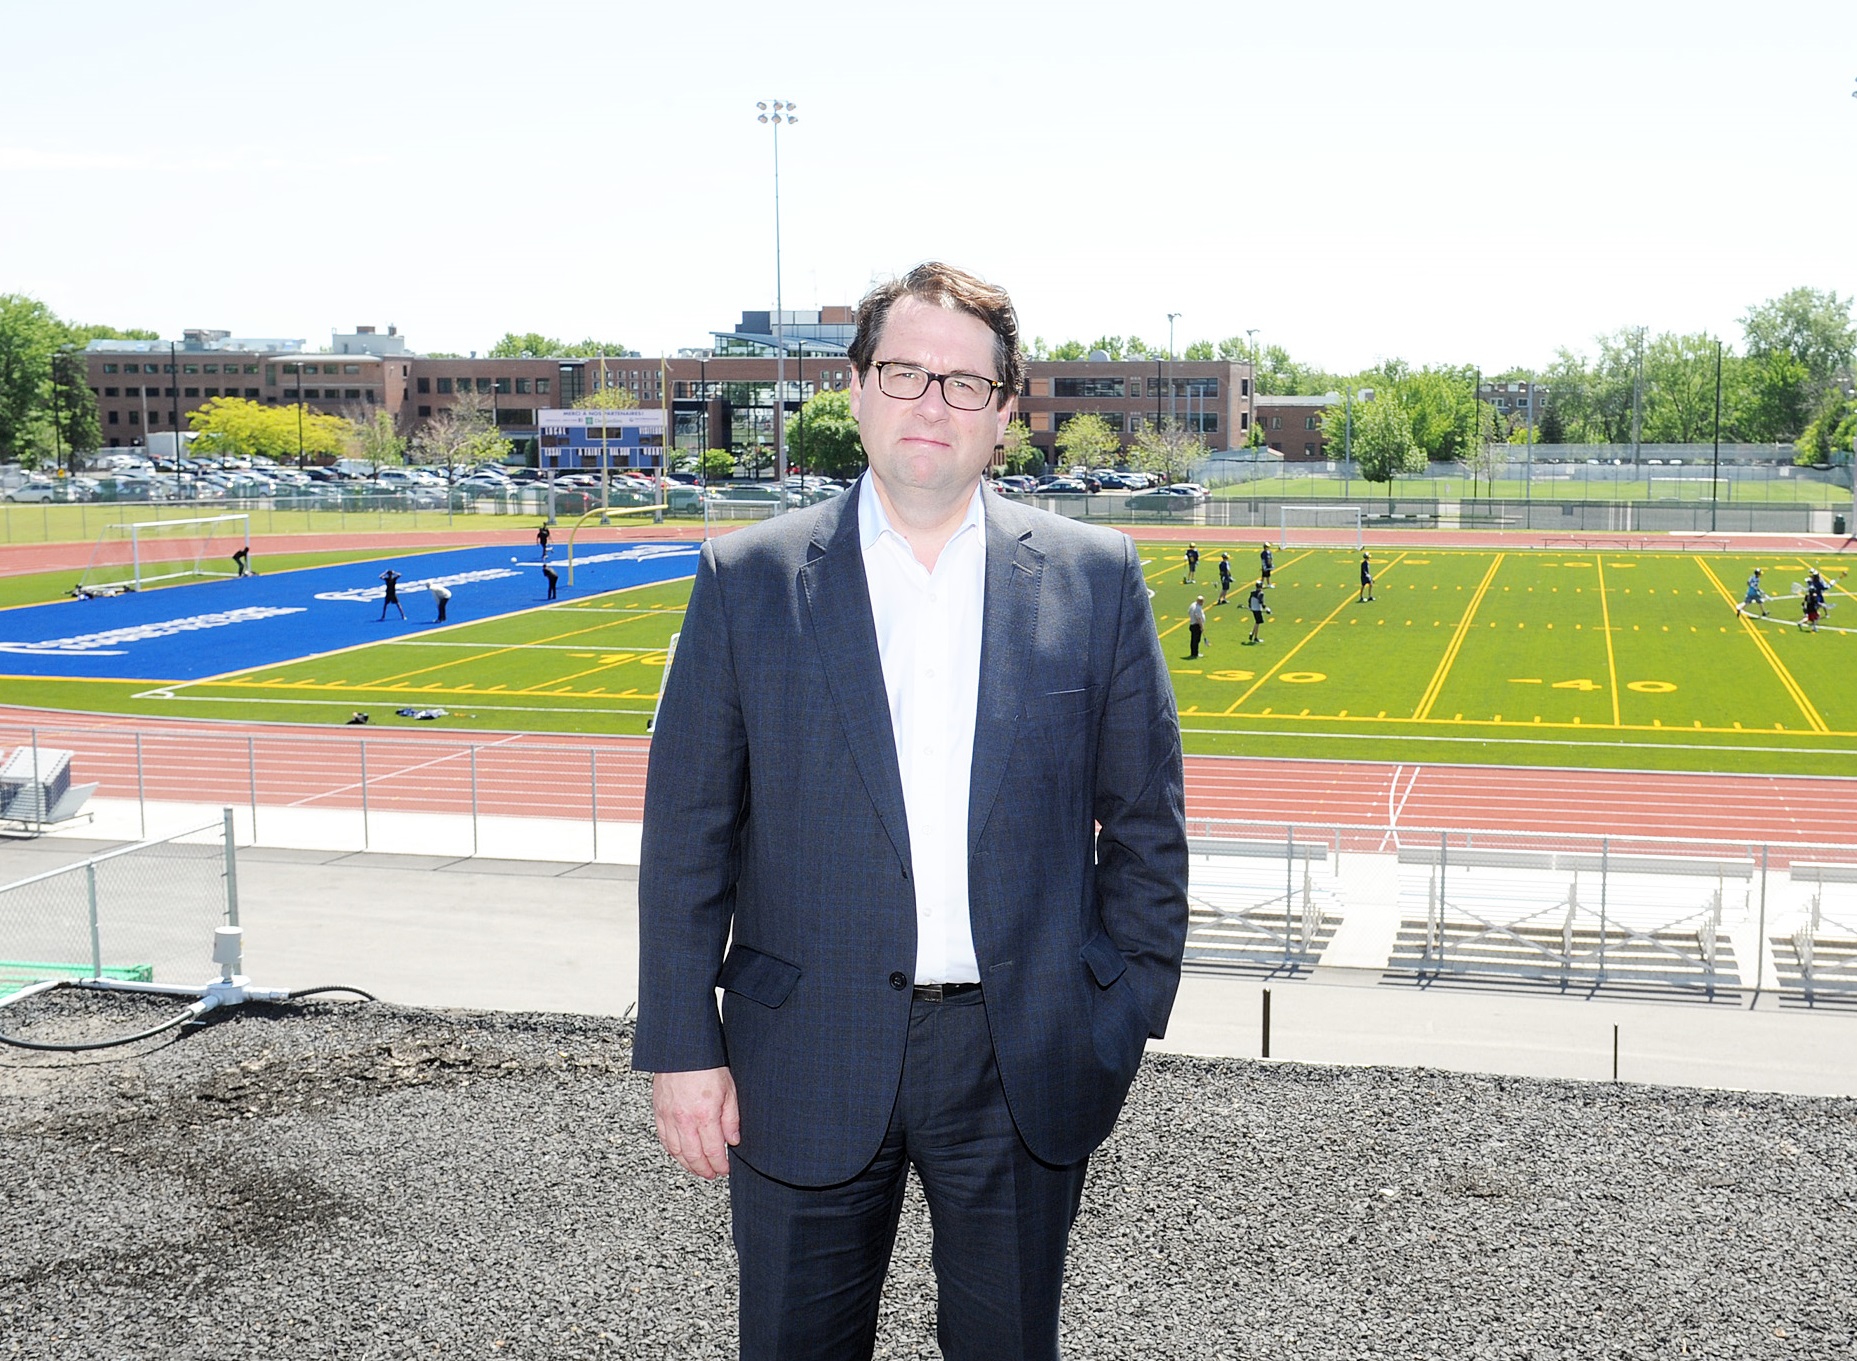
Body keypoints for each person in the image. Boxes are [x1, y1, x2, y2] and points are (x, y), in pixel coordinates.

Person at [635, 262, 1188, 1361]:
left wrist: (1114, 1017)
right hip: (803, 1052)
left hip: (1021, 1056)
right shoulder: (748, 577)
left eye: (964, 382)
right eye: (904, 372)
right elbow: (689, 829)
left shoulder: (1095, 575)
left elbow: (1146, 830)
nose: (931, 401)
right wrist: (683, 1044)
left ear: (1004, 414)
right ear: (854, 390)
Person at [1246, 579, 1271, 644]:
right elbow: (1261, 602)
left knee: (1257, 622)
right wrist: (1267, 609)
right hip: (1257, 609)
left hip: (1254, 609)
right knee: (1258, 622)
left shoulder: (1252, 592)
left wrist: (1250, 606)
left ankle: (1252, 634)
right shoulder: (1261, 593)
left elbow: (1249, 600)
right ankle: (1256, 638)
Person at [1187, 593, 1208, 658]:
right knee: (1196, 640)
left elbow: (1188, 612)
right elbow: (1198, 618)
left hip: (1192, 624)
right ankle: (1195, 653)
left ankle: (1193, 652)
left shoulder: (1192, 605)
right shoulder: (1198, 608)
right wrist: (1202, 627)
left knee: (1193, 640)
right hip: (1196, 625)